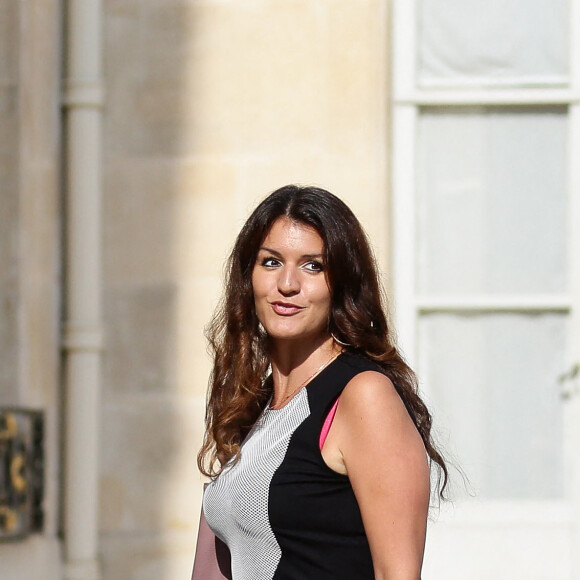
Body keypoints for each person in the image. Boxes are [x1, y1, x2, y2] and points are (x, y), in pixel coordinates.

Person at [197, 184, 448, 580]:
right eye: (271, 262)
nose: (288, 284)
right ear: (248, 278)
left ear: (342, 283)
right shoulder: (249, 408)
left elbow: (397, 574)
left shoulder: (364, 395)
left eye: (313, 265)